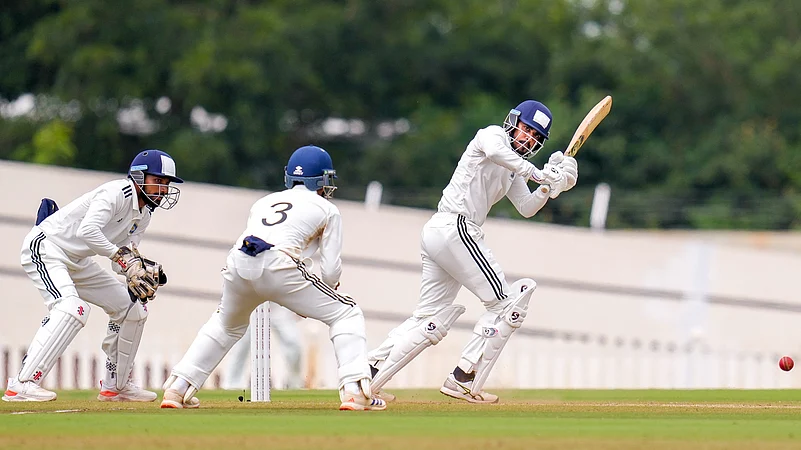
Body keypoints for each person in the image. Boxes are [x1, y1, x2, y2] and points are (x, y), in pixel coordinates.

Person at [367, 100, 579, 403]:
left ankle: (370, 371)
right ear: (513, 122)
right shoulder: (491, 135)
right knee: (508, 304)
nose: (528, 138)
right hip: (456, 227)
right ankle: (462, 377)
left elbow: (527, 207)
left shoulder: (514, 170)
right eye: (526, 129)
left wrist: (552, 184)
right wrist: (541, 175)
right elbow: (497, 153)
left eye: (535, 137)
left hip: (443, 233)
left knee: (427, 316)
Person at [160, 145, 386, 411]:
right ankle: (355, 391)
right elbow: (330, 270)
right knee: (347, 312)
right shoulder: (327, 208)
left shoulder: (263, 202)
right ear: (322, 179)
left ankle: (178, 387)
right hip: (278, 263)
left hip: (239, 260)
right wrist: (322, 293)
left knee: (225, 325)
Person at [3, 149, 182, 402]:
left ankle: (115, 386)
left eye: (166, 184)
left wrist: (136, 269)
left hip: (78, 261)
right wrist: (121, 258)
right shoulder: (116, 193)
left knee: (133, 308)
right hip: (47, 247)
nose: (163, 190)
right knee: (72, 308)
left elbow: (121, 259)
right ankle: (22, 384)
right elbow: (89, 232)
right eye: (158, 181)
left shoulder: (143, 214)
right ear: (139, 176)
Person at [222, 303, 305, 390]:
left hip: (279, 305)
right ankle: (232, 384)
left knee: (293, 343)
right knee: (240, 346)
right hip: (252, 305)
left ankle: (295, 383)